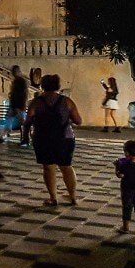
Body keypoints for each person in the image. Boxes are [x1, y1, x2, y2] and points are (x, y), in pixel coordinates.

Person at [27, 74, 81, 207]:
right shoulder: (66, 101)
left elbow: (28, 120)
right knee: (66, 167)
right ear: (58, 85)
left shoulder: (36, 102)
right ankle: (73, 196)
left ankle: (53, 198)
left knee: (48, 167)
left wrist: (26, 136)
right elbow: (79, 121)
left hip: (42, 139)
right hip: (65, 138)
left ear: (43, 86)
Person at [115, 139, 135, 236]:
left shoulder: (126, 165)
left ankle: (126, 228)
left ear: (127, 153)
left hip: (127, 190)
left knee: (127, 208)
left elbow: (120, 175)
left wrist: (117, 166)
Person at [7, 65, 30, 146]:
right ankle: (9, 132)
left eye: (14, 72)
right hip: (15, 105)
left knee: (22, 122)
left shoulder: (21, 81)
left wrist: (21, 106)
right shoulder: (16, 81)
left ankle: (25, 138)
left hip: (19, 105)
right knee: (10, 117)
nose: (13, 74)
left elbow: (24, 94)